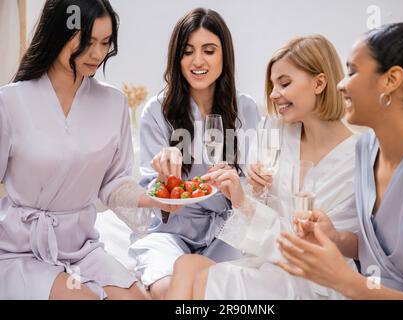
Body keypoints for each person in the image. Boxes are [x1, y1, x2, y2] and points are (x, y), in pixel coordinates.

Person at [0, 0, 175, 300]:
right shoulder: (10, 102)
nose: (97, 54)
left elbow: (113, 184)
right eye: (87, 41)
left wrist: (156, 198)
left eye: (105, 42)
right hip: (19, 251)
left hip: (81, 248)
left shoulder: (113, 103)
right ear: (58, 34)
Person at [166, 35, 360, 300]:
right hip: (270, 262)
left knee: (212, 279)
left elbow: (313, 249)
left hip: (316, 280)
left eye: (284, 83)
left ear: (319, 83)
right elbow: (253, 229)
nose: (273, 94)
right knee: (186, 265)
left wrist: (244, 201)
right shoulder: (274, 131)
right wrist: (248, 191)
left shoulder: (356, 159)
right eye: (272, 85)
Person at [276, 23, 403, 300]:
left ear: (391, 80)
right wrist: (335, 239)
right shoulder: (367, 148)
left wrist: (346, 281)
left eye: (353, 72)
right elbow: (378, 253)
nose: (341, 84)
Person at [130, 8, 261, 299]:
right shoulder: (156, 111)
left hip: (226, 230)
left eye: (209, 50)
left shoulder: (247, 109)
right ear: (177, 59)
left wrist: (242, 187)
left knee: (219, 291)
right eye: (188, 52)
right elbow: (150, 196)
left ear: (224, 55)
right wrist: (163, 183)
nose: (198, 61)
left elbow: (255, 188)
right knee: (166, 289)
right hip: (172, 231)